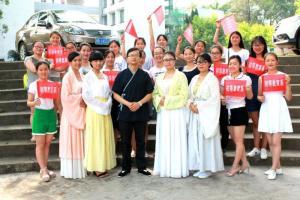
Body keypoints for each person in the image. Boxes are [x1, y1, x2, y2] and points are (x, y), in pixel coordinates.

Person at [112, 47, 153, 177]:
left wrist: (139, 103)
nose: (134, 57)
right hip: (125, 112)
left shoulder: (145, 75)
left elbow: (150, 93)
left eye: (136, 55)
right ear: (127, 58)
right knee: (125, 141)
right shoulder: (121, 74)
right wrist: (128, 104)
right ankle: (125, 167)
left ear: (140, 58)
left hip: (141, 112)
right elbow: (115, 94)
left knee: (141, 141)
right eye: (131, 55)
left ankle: (142, 167)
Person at [152, 51, 189, 178]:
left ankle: (176, 169)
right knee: (165, 138)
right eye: (165, 59)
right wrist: (159, 100)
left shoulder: (181, 76)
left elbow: (184, 96)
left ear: (174, 61)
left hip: (176, 112)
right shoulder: (159, 77)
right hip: (163, 113)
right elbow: (155, 94)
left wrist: (166, 100)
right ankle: (164, 168)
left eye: (170, 59)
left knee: (176, 138)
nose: (168, 62)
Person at [188, 53, 224, 179]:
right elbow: (189, 96)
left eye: (204, 62)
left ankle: (207, 168)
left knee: (205, 140)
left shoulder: (212, 78)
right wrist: (190, 104)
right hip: (195, 112)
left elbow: (214, 99)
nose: (201, 64)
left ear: (209, 64)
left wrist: (200, 107)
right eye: (198, 62)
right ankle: (199, 166)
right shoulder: (194, 78)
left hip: (206, 113)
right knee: (196, 139)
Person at [257, 52, 293, 180]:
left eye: (273, 60)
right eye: (268, 61)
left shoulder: (284, 76)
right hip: (266, 108)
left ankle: (273, 169)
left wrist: (288, 84)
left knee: (276, 141)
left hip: (279, 108)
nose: (270, 63)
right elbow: (260, 95)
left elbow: (288, 97)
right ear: (265, 63)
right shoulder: (262, 78)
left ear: (277, 62)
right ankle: (278, 167)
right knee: (271, 141)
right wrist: (260, 98)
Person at [82, 51, 116, 177]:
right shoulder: (88, 77)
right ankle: (96, 166)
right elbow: (86, 96)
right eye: (95, 61)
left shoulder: (104, 76)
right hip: (94, 109)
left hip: (106, 109)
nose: (98, 63)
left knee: (105, 136)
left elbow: (109, 92)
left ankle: (104, 163)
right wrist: (101, 105)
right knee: (96, 137)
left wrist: (108, 103)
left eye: (100, 60)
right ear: (91, 62)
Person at [220, 55, 253, 177]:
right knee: (236, 140)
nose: (232, 66)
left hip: (239, 110)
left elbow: (249, 97)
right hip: (228, 111)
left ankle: (235, 166)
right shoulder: (224, 79)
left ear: (240, 65)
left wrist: (248, 90)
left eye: (235, 63)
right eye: (230, 64)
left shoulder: (246, 78)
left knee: (239, 141)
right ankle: (244, 163)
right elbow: (222, 95)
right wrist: (222, 98)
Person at [27, 61, 60, 182]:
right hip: (39, 116)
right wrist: (34, 103)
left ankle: (44, 168)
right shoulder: (33, 85)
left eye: (46, 69)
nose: (43, 72)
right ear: (37, 71)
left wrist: (58, 113)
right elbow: (28, 102)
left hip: (51, 115)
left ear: (49, 70)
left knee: (47, 144)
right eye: (41, 69)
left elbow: (56, 102)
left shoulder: (53, 84)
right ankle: (43, 170)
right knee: (40, 145)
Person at [59, 51, 86, 179]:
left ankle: (82, 167)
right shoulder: (67, 77)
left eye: (79, 60)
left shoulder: (82, 74)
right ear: (70, 62)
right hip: (71, 114)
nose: (78, 63)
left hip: (81, 111)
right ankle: (71, 170)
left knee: (80, 140)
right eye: (75, 60)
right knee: (72, 140)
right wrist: (82, 97)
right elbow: (65, 97)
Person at [246, 36, 269, 159]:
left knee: (264, 122)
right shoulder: (248, 60)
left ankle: (264, 148)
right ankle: (256, 147)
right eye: (255, 45)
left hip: (265, 95)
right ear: (252, 47)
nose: (257, 47)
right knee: (256, 123)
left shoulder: (268, 59)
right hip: (251, 95)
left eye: (260, 44)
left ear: (264, 46)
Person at [24, 41, 46, 142]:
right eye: (36, 46)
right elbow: (33, 69)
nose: (39, 48)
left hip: (45, 87)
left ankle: (45, 132)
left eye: (41, 47)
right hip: (33, 88)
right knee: (34, 112)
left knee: (45, 110)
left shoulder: (46, 60)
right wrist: (46, 68)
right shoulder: (28, 59)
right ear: (33, 48)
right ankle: (34, 134)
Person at [210, 45, 230, 153]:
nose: (214, 55)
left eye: (217, 53)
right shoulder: (208, 67)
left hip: (223, 99)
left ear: (221, 54)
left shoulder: (227, 67)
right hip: (211, 100)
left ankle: (223, 147)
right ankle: (213, 147)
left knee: (223, 124)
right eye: (212, 53)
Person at [102, 50, 121, 143]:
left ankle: (114, 149)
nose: (110, 59)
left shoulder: (119, 72)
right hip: (104, 101)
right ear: (104, 59)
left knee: (115, 125)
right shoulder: (101, 72)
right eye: (108, 57)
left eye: (112, 57)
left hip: (117, 101)